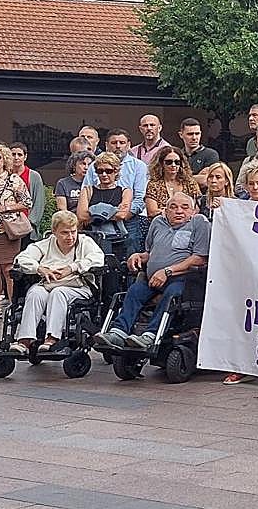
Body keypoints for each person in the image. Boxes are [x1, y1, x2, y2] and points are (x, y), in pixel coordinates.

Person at [93, 192, 210, 352]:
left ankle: (150, 335)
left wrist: (167, 272)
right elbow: (150, 252)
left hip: (183, 278)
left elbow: (200, 258)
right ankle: (118, 332)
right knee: (134, 291)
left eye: (185, 207)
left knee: (172, 294)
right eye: (173, 207)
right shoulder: (158, 222)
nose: (179, 211)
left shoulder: (199, 223)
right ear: (165, 210)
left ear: (193, 211)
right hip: (153, 278)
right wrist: (138, 256)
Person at [11, 210, 104, 351]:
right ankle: (25, 340)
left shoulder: (85, 242)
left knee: (58, 293)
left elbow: (97, 258)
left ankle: (52, 338)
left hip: (79, 286)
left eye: (73, 232)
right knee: (35, 293)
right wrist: (39, 269)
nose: (70, 237)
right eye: (64, 233)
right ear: (54, 232)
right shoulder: (45, 244)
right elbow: (21, 259)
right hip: (49, 284)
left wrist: (72, 268)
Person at [0, 142, 34, 319]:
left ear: (4, 159)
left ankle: (14, 306)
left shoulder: (13, 179)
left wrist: (5, 207)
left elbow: (27, 202)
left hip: (6, 231)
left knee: (8, 269)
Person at [88, 130, 148, 255]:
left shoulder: (139, 166)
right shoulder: (94, 166)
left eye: (122, 142)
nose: (118, 146)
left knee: (128, 259)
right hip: (97, 224)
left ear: (129, 145)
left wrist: (123, 216)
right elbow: (87, 192)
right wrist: (105, 216)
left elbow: (140, 198)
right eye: (114, 143)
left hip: (129, 222)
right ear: (106, 145)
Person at [75, 151, 132, 256]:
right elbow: (82, 215)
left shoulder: (125, 191)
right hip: (91, 238)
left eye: (108, 171)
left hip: (117, 239)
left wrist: (93, 213)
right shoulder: (87, 190)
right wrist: (113, 211)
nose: (104, 174)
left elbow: (122, 215)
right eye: (100, 171)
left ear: (116, 171)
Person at [144, 146, 201, 218]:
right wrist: (175, 213)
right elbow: (152, 212)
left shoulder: (190, 183)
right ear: (161, 164)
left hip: (187, 221)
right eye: (169, 162)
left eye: (177, 162)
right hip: (162, 221)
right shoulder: (153, 184)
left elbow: (196, 209)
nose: (173, 165)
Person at [9, 143, 45, 243]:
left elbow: (39, 202)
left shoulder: (34, 176)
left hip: (27, 226)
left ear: (25, 157)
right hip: (8, 226)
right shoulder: (5, 175)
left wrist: (30, 222)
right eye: (13, 154)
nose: (16, 157)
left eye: (19, 154)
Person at [179, 118, 219, 188]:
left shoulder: (211, 154)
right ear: (181, 135)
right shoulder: (177, 155)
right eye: (190, 134)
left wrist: (182, 178)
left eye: (197, 134)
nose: (194, 138)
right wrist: (197, 177)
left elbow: (205, 181)